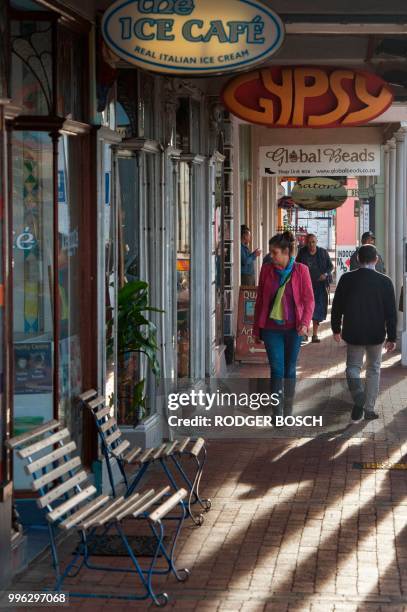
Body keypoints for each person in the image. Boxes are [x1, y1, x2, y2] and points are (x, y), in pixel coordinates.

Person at [331, 244, 397, 423]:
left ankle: (358, 396)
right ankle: (368, 408)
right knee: (374, 369)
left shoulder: (346, 279)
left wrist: (336, 328)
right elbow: (391, 312)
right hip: (376, 334)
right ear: (376, 260)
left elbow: (337, 306)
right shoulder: (385, 282)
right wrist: (392, 337)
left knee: (352, 367)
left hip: (354, 333)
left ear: (358, 260)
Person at [253, 231, 314, 417]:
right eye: (271, 252)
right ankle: (277, 411)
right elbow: (260, 300)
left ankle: (288, 408)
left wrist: (305, 323)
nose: (271, 256)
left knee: (289, 368)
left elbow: (309, 300)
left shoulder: (301, 271)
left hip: (294, 328)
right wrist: (256, 330)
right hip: (271, 329)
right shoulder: (266, 270)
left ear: (287, 252)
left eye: (275, 252)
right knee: (277, 368)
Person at [296, 234, 333, 343]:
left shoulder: (323, 252)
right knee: (305, 309)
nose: (311, 244)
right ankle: (305, 332)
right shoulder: (302, 253)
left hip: (320, 286)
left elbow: (330, 267)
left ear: (316, 241)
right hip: (306, 286)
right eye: (309, 242)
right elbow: (297, 266)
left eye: (313, 242)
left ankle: (315, 335)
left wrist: (325, 274)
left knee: (318, 310)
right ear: (306, 243)